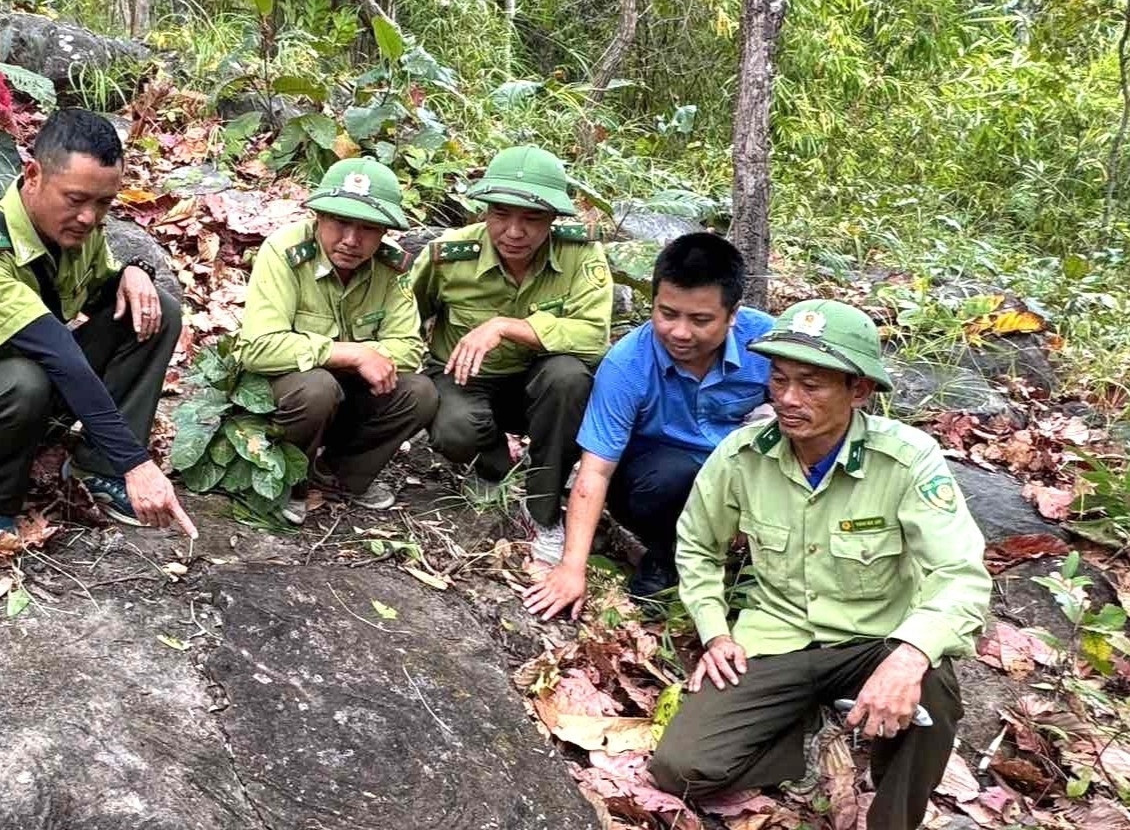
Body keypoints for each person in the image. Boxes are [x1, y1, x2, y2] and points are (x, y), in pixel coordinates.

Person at [647, 300, 992, 830]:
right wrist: (716, 633)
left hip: (873, 639)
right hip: (776, 638)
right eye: (779, 379)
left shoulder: (905, 459)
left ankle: (892, 820)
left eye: (811, 385)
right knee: (681, 769)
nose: (787, 399)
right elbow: (696, 544)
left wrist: (910, 656)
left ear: (858, 390)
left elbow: (960, 573)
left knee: (934, 686)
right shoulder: (743, 456)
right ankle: (804, 744)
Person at [0, 107, 197, 545]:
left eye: (104, 203)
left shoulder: (77, 236)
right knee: (24, 379)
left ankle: (96, 467)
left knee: (158, 312)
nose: (89, 218)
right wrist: (137, 462)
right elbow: (58, 353)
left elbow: (104, 292)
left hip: (31, 393)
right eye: (76, 200)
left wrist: (136, 270)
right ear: (33, 174)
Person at [522, 233, 773, 617]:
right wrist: (572, 568)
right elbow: (595, 472)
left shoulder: (769, 344)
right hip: (652, 483)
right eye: (667, 314)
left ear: (733, 314)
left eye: (701, 319)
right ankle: (665, 557)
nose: (680, 332)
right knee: (670, 478)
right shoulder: (628, 364)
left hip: (739, 475)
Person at [411, 145, 611, 557]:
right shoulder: (450, 257)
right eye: (500, 214)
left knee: (570, 378)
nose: (514, 232)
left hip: (537, 386)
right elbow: (406, 319)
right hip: (464, 378)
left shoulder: (579, 255)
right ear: (484, 211)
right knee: (454, 429)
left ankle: (543, 508)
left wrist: (505, 326)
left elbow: (593, 336)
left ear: (553, 220)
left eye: (531, 219)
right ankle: (493, 463)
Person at [236, 158, 438, 523]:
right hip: (287, 387)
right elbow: (257, 348)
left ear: (384, 233)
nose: (351, 240)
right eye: (339, 222)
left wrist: (360, 359)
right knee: (317, 387)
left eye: (368, 229)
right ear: (318, 217)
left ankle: (338, 475)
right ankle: (289, 480)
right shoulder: (284, 251)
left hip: (350, 390)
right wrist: (348, 353)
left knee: (421, 393)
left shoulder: (392, 269)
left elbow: (409, 349)